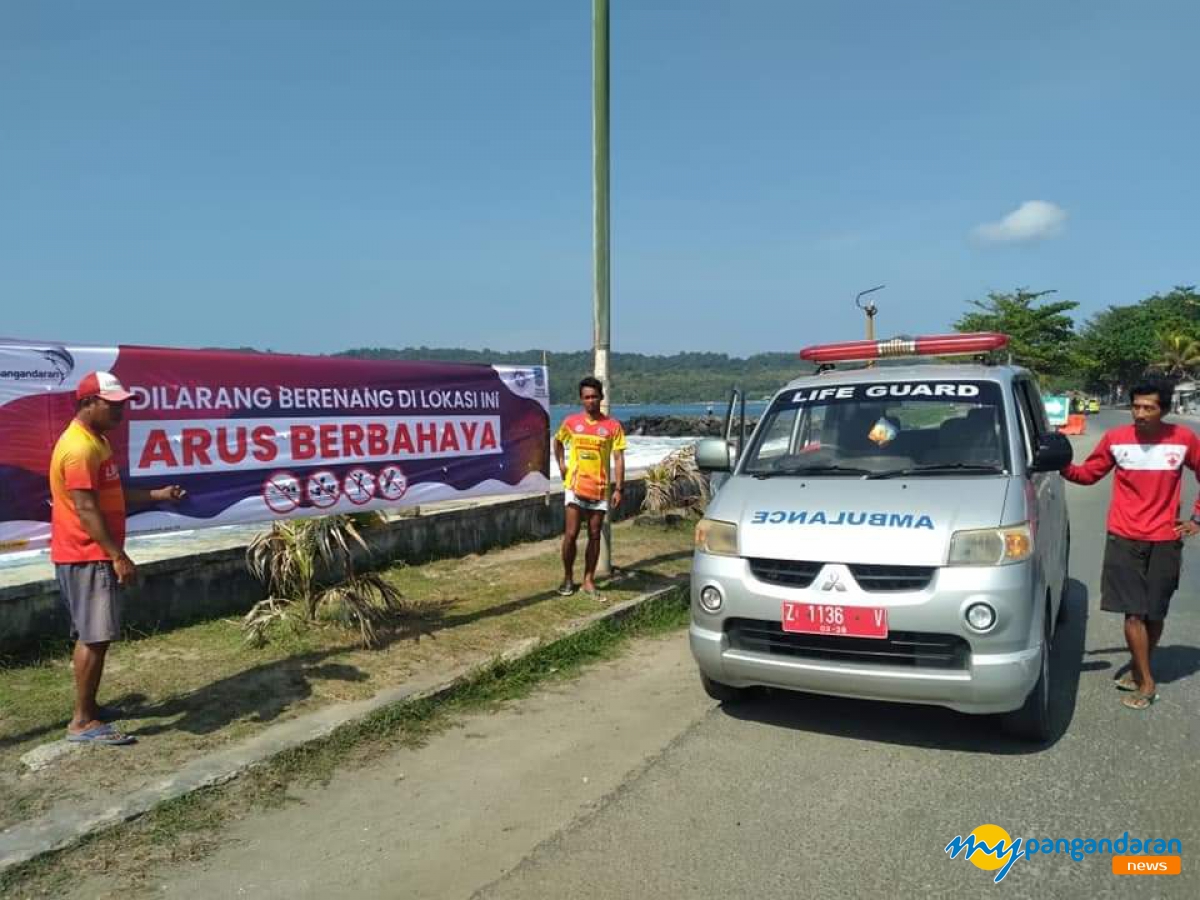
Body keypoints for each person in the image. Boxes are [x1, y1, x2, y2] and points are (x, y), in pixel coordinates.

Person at [50, 371, 187, 745]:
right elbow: (87, 509)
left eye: (123, 404)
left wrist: (157, 495)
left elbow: (112, 491)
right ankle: (81, 722)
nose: (120, 411)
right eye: (112, 405)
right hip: (87, 554)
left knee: (97, 636)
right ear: (87, 403)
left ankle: (89, 709)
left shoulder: (97, 442)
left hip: (89, 554)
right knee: (94, 637)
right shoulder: (79, 448)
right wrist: (117, 555)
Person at [1061, 379, 1200, 711]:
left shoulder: (1183, 440)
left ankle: (1140, 667)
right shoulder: (1115, 439)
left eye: (1148, 408)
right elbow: (1088, 474)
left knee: (1156, 612)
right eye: (1136, 406)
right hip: (1123, 536)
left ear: (1164, 410)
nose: (1140, 413)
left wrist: (1197, 518)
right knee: (1133, 613)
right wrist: (1059, 463)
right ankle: (1147, 682)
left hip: (1166, 539)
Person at [554, 376, 626, 599]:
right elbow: (557, 441)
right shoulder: (571, 422)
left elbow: (619, 459)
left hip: (600, 489)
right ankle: (567, 578)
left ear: (601, 398)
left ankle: (588, 580)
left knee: (595, 534)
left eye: (595, 396)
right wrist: (562, 465)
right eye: (587, 397)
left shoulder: (612, 426)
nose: (591, 401)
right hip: (575, 487)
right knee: (571, 534)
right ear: (581, 399)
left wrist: (619, 489)